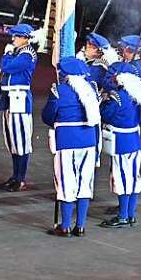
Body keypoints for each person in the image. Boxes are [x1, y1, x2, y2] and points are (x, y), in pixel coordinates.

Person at [41, 56, 101, 237]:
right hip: (89, 140)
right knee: (85, 183)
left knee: (67, 182)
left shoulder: (58, 91)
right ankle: (80, 225)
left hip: (67, 140)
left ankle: (65, 225)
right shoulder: (92, 89)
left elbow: (48, 116)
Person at [99, 62, 141, 228]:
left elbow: (106, 114)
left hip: (121, 141)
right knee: (133, 178)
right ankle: (130, 214)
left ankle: (123, 215)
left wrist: (102, 101)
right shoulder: (137, 95)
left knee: (122, 178)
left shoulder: (118, 97)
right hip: (133, 138)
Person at [0, 24, 38, 192]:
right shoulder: (19, 52)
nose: (13, 39)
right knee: (12, 140)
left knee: (20, 139)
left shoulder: (27, 54)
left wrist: (7, 54)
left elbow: (7, 67)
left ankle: (20, 178)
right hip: (10, 97)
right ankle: (15, 176)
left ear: (25, 38)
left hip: (19, 98)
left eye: (16, 36)